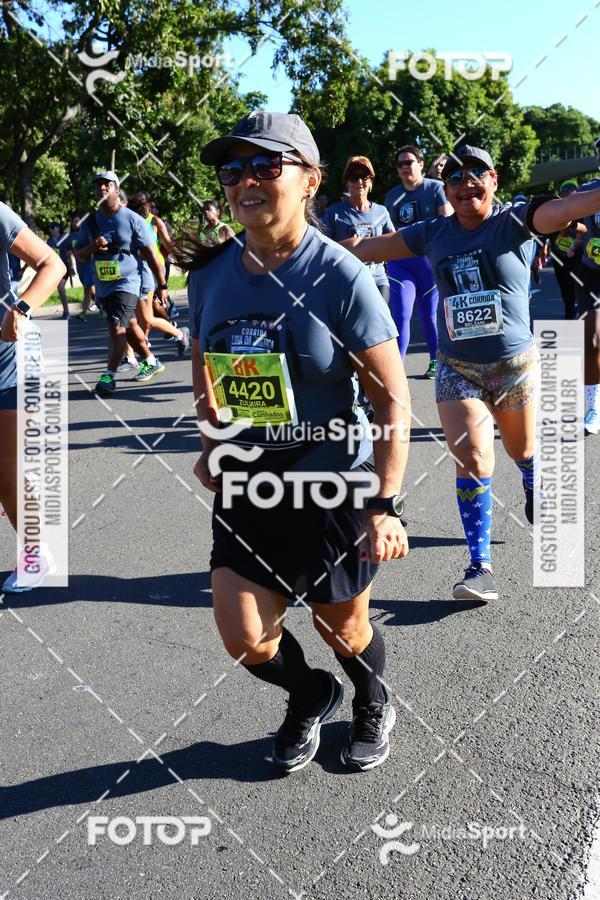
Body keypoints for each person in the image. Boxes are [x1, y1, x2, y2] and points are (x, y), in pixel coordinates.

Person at [183, 110, 410, 774]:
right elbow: (204, 363)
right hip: (250, 483)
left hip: (329, 482)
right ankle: (310, 694)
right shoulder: (211, 274)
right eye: (233, 169)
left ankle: (372, 695)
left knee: (343, 628)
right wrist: (211, 438)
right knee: (245, 638)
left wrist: (385, 503)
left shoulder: (341, 275)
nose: (246, 181)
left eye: (265, 165)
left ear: (309, 179)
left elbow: (391, 397)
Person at [342, 145, 600, 601]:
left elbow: (567, 207)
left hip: (514, 367)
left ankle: (531, 478)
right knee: (475, 459)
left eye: (476, 174)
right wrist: (293, 243)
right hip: (457, 367)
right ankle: (480, 567)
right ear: (447, 188)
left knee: (521, 450)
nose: (466, 184)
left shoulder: (516, 220)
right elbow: (365, 247)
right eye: (456, 178)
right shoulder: (433, 232)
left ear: (493, 180)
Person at [0, 201, 66, 592]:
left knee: (7, 470)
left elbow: (52, 264)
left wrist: (21, 310)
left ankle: (35, 554)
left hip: (8, 359)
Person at [74, 171, 169, 396]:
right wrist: (93, 247)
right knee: (129, 325)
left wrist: (162, 285)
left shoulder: (133, 219)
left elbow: (152, 255)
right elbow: (79, 254)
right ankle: (151, 360)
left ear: (117, 190)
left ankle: (109, 377)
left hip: (128, 282)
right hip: (104, 284)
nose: (102, 189)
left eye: (107, 185)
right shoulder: (90, 222)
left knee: (116, 327)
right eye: (98, 186)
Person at [384, 145, 452, 379]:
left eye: (409, 162)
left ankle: (435, 361)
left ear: (421, 164)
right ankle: (397, 368)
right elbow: (389, 231)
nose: (404, 167)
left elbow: (447, 221)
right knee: (400, 314)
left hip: (428, 264)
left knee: (429, 316)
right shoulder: (392, 195)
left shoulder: (435, 189)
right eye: (400, 163)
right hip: (400, 264)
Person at [320, 156, 394, 303]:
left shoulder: (381, 212)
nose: (359, 182)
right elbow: (320, 246)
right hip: (347, 281)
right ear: (347, 181)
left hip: (378, 280)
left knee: (379, 323)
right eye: (353, 177)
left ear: (371, 180)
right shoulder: (335, 212)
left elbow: (393, 244)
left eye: (364, 177)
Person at [127, 192, 190, 361]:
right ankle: (140, 347)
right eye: (138, 205)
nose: (142, 207)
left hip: (154, 268)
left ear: (148, 204)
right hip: (135, 271)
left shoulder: (155, 221)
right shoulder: (130, 219)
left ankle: (137, 351)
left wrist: (184, 262)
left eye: (144, 204)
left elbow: (168, 244)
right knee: (145, 311)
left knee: (145, 312)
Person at [576, 151, 600, 434]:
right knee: (591, 339)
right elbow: (577, 223)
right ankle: (593, 407)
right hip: (591, 272)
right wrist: (572, 227)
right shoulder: (587, 191)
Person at [549, 181, 584, 320]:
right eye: (565, 189)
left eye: (572, 189)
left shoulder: (582, 211)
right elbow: (548, 231)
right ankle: (570, 312)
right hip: (559, 257)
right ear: (561, 193)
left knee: (576, 288)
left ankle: (576, 312)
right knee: (565, 289)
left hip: (577, 256)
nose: (569, 192)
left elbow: (586, 231)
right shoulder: (554, 210)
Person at [46, 222, 70, 319]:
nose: (51, 230)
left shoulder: (64, 238)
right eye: (50, 228)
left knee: (60, 288)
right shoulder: (49, 241)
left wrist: (72, 266)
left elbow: (69, 252)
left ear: (58, 229)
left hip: (65, 267)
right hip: (56, 268)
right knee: (60, 290)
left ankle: (67, 312)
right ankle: (66, 312)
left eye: (53, 228)